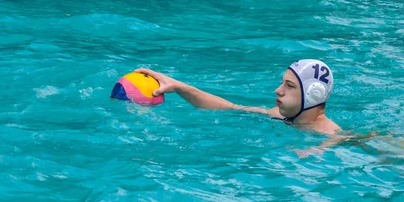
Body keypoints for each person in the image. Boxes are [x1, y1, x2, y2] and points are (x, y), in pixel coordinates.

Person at [136, 59, 341, 135]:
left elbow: (363, 141)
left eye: (289, 86)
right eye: (282, 83)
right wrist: (180, 87)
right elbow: (230, 107)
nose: (277, 91)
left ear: (313, 95)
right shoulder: (279, 115)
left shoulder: (330, 134)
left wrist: (318, 149)